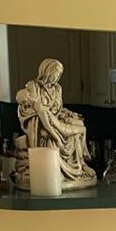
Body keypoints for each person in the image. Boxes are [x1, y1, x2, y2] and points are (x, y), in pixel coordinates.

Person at [16, 58, 95, 188]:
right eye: (54, 74)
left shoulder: (58, 88)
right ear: (46, 72)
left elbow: (59, 108)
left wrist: (70, 114)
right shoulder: (33, 86)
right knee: (78, 131)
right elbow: (28, 107)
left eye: (59, 75)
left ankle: (81, 165)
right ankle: (71, 167)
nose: (56, 77)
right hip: (45, 122)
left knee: (80, 124)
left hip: (56, 118)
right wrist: (56, 133)